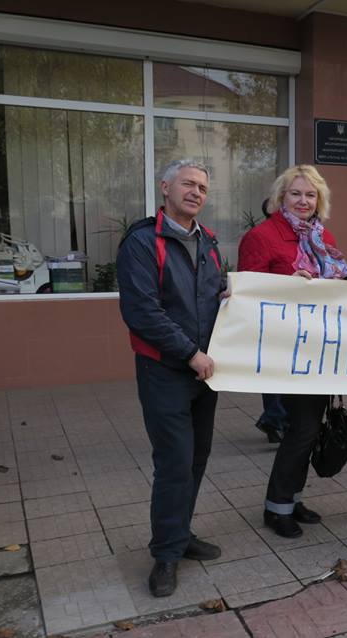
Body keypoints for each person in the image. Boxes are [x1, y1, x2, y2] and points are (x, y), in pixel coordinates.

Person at [116, 159, 225, 597]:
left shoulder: (211, 242)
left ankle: (180, 536)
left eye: (202, 186)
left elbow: (214, 297)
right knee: (174, 463)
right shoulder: (142, 242)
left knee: (196, 459)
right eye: (187, 184)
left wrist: (233, 295)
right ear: (165, 188)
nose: (196, 192)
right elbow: (142, 312)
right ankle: (164, 555)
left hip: (204, 372)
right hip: (165, 370)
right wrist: (190, 354)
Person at [238, 165, 347, 538]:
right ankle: (277, 507)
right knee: (300, 429)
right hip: (285, 349)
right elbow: (247, 294)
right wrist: (288, 284)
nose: (304, 201)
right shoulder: (262, 236)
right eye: (296, 194)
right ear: (280, 196)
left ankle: (292, 499)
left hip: (320, 348)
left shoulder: (323, 235)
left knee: (308, 428)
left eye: (311, 195)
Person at [251, 197, 289, 444]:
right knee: (274, 375)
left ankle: (274, 419)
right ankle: (274, 419)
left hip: (288, 325)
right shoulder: (262, 238)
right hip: (272, 322)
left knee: (279, 376)